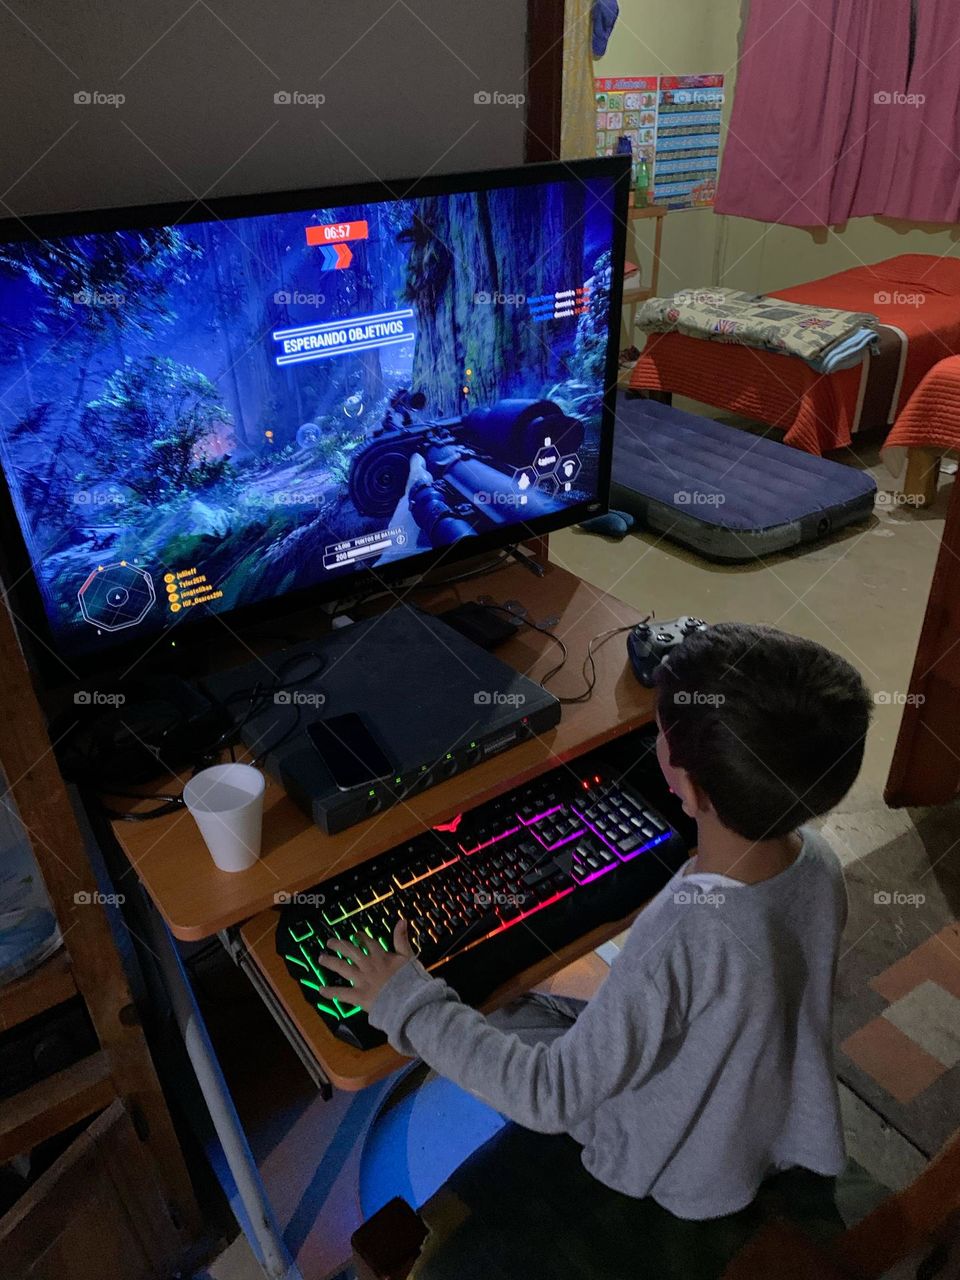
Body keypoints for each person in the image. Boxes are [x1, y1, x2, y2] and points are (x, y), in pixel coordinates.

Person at [321, 623, 872, 1220]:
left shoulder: (685, 931)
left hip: (680, 1164)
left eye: (658, 732)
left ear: (687, 785)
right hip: (759, 1118)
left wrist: (404, 1000)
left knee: (485, 1017)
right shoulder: (819, 862)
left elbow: (549, 1096)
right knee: (517, 1005)